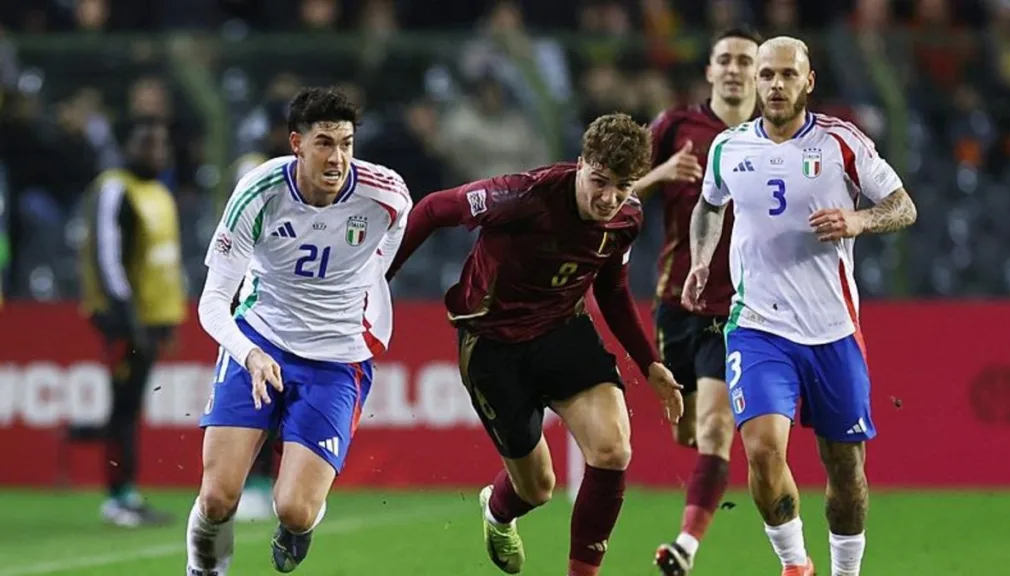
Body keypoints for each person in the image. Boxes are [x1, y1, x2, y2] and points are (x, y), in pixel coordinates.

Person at [387, 113, 684, 576]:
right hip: (492, 346)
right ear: (582, 162)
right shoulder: (521, 196)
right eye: (599, 181)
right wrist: (379, 280)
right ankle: (498, 513)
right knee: (537, 487)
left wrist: (649, 363)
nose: (608, 199)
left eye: (622, 187)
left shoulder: (627, 218)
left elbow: (612, 289)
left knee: (612, 451)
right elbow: (431, 210)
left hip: (563, 331)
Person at [681, 37, 917, 576]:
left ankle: (845, 572)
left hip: (832, 329)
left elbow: (903, 205)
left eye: (788, 75)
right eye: (767, 75)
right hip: (758, 327)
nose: (775, 85)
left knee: (846, 470)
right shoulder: (730, 148)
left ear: (808, 81)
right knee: (762, 451)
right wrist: (700, 261)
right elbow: (709, 205)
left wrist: (858, 221)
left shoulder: (842, 143)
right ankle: (794, 564)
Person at [185, 86, 411, 575]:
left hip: (337, 357)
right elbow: (212, 302)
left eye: (347, 143)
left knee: (295, 509)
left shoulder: (386, 194)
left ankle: (296, 527)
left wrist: (360, 288)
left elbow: (387, 248)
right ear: (296, 143)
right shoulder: (257, 192)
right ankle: (203, 571)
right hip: (261, 338)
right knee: (218, 495)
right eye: (325, 143)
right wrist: (249, 354)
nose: (338, 158)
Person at [637, 27, 762, 576]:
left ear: (760, 73)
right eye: (725, 60)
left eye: (745, 61)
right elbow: (608, 186)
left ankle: (685, 545)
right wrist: (661, 174)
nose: (734, 69)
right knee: (687, 431)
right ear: (709, 71)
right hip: (675, 303)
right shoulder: (675, 127)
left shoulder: (773, 137)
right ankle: (702, 494)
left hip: (737, 310)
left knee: (714, 430)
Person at [79, 116, 185, 527]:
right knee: (122, 407)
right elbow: (107, 259)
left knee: (130, 406)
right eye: (147, 144)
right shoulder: (115, 187)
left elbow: (163, 262)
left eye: (161, 145)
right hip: (125, 320)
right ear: (127, 146)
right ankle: (118, 497)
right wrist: (126, 319)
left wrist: (167, 319)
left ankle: (127, 492)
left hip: (152, 319)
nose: (156, 153)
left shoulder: (158, 191)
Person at [229, 98, 294, 522]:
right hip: (256, 296)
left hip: (296, 301)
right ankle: (251, 481)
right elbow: (237, 238)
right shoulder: (255, 172)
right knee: (258, 395)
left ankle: (280, 481)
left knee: (289, 396)